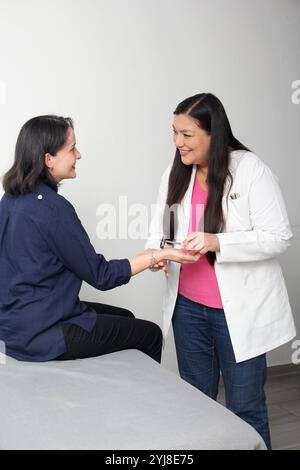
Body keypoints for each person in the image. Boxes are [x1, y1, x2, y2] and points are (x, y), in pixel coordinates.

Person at [145, 93, 296, 449]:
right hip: (188, 310)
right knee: (196, 404)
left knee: (245, 408)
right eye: (174, 132)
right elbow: (161, 228)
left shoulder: (250, 170)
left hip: (237, 314)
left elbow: (279, 237)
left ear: (214, 133)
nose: (177, 142)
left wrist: (219, 242)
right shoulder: (175, 173)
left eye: (187, 134)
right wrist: (162, 252)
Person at [0, 115, 200, 365]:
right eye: (72, 148)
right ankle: (140, 402)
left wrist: (151, 255)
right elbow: (101, 275)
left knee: (125, 316)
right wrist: (160, 254)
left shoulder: (11, 199)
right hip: (42, 333)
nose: (79, 154)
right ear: (48, 159)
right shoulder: (53, 209)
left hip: (14, 325)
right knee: (149, 335)